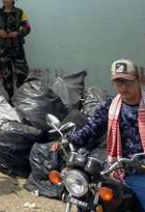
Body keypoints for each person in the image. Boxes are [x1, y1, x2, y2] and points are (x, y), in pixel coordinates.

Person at [53, 59, 145, 210]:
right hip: (114, 168)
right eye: (118, 82)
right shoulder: (109, 106)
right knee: (87, 196)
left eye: (127, 81)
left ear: (138, 79)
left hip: (140, 170)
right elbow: (91, 129)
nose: (123, 87)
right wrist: (68, 141)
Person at [0, 0, 31, 100]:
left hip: (17, 48)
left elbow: (27, 27)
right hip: (2, 49)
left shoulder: (20, 13)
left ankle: (20, 98)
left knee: (22, 73)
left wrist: (18, 32)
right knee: (6, 75)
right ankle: (11, 97)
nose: (5, 0)